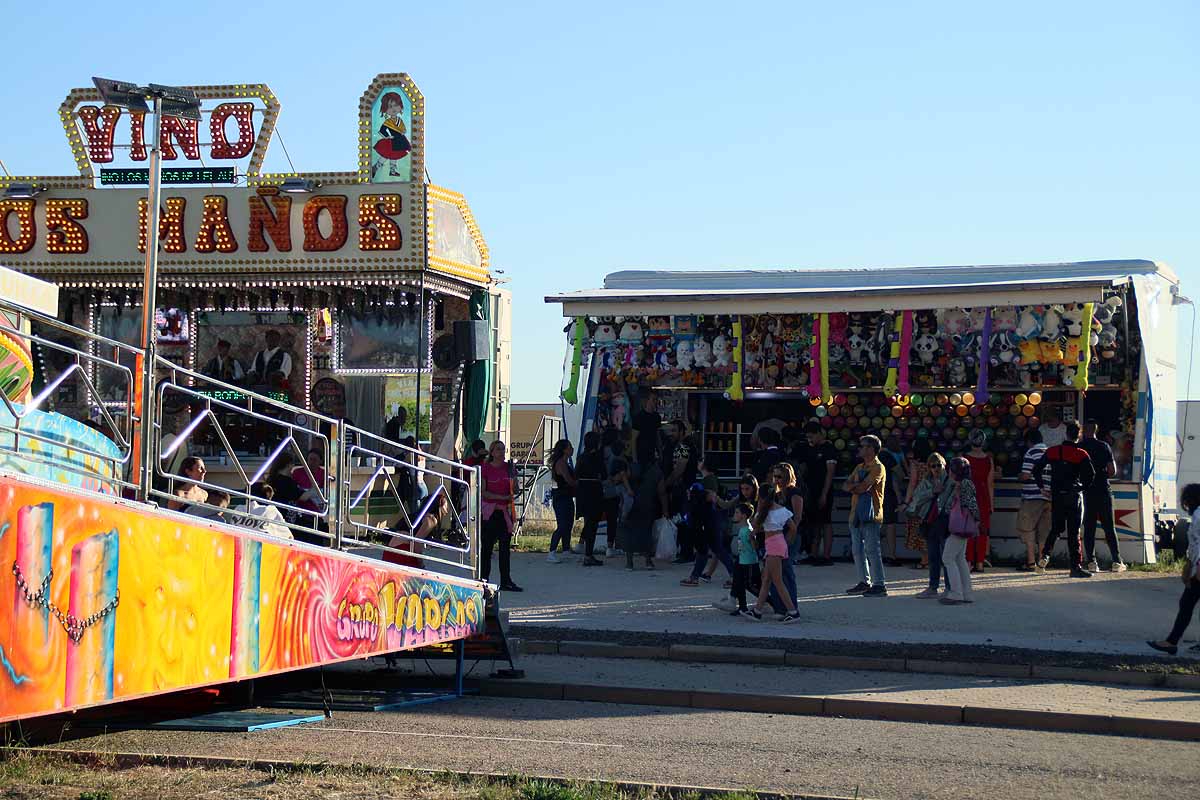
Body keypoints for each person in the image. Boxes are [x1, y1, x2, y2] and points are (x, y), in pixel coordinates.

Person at [1034, 420, 1096, 578]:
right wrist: (1081, 487)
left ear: (1065, 434)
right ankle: (1075, 567)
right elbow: (1091, 475)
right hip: (1074, 495)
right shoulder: (1081, 454)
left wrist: (1042, 487)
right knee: (1074, 533)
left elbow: (1037, 469)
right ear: (1079, 435)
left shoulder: (1053, 451)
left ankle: (1044, 557)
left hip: (1057, 495)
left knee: (1055, 529)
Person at [1147, 483, 1200, 655]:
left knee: (1187, 603)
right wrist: (1189, 565)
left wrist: (1197, 567)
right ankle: (1171, 642)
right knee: (1187, 603)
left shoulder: (1199, 515)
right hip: (1196, 565)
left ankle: (1171, 642)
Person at [745, 485, 801, 623]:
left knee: (777, 581)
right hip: (779, 542)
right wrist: (786, 542)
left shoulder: (764, 512)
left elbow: (754, 527)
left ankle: (793, 612)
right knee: (767, 579)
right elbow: (793, 528)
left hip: (772, 545)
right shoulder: (782, 510)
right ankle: (757, 611)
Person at [1080, 419, 1127, 572]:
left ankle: (1092, 562)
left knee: (1089, 527)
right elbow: (1112, 470)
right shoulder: (1104, 446)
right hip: (1103, 489)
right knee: (1109, 526)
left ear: (1083, 430)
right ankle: (1116, 561)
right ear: (1096, 430)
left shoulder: (1079, 447)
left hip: (1086, 491)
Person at [844, 435, 888, 597]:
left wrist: (854, 486)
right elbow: (846, 485)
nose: (860, 448)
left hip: (871, 515)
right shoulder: (859, 466)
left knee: (872, 550)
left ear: (871, 449)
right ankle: (864, 581)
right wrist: (856, 486)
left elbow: (862, 487)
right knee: (857, 550)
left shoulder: (878, 467)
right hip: (855, 514)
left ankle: (879, 584)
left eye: (863, 446)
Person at [681, 458, 735, 586]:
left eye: (702, 460)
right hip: (708, 519)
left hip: (707, 519)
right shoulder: (708, 479)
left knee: (713, 549)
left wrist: (693, 494)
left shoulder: (709, 480)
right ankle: (694, 577)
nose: (699, 462)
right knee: (706, 549)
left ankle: (734, 575)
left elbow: (710, 498)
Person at [480, 440, 522, 590]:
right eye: (498, 449)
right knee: (487, 548)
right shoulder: (486, 468)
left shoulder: (509, 468)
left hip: (505, 512)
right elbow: (483, 492)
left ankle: (506, 580)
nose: (501, 452)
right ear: (492, 452)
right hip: (490, 512)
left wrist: (513, 475)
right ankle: (483, 579)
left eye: (503, 449)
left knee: (505, 548)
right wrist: (501, 498)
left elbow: (516, 490)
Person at [940, 457, 979, 605]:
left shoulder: (962, 485)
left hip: (959, 526)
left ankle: (956, 593)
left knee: (948, 558)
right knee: (960, 558)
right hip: (964, 525)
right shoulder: (964, 483)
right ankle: (967, 593)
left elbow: (970, 504)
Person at [910, 453, 950, 598]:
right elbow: (917, 498)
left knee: (947, 557)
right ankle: (933, 587)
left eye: (939, 465)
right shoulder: (926, 482)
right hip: (930, 522)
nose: (936, 468)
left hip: (946, 522)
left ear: (944, 465)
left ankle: (949, 588)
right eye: (933, 466)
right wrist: (932, 491)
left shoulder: (950, 480)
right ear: (929, 467)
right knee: (933, 556)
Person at [661, 420, 699, 562]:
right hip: (683, 489)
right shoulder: (683, 445)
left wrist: (666, 483)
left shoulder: (684, 447)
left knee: (683, 521)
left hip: (683, 490)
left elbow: (679, 470)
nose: (671, 434)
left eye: (675, 430)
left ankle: (686, 552)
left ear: (682, 432)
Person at [802, 421, 838, 566]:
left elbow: (830, 473)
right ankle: (813, 554)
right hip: (811, 490)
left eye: (811, 436)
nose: (810, 440)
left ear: (819, 433)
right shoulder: (811, 449)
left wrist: (824, 493)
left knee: (826, 522)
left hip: (824, 490)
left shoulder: (829, 449)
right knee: (814, 523)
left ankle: (827, 555)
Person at [1016, 429, 1051, 572]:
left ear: (1029, 441)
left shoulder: (1031, 453)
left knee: (1028, 530)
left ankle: (1031, 563)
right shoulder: (1050, 452)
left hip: (1032, 497)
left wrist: (1018, 476)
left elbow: (1025, 476)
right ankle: (1042, 563)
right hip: (1048, 498)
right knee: (1044, 533)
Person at [625, 445, 665, 570]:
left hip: (632, 504)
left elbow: (622, 476)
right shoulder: (657, 471)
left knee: (630, 532)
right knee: (647, 532)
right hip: (648, 504)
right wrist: (665, 510)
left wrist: (629, 490)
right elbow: (662, 492)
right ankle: (648, 561)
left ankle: (629, 562)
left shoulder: (632, 467)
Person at [900, 438, 935, 569]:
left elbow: (912, 483)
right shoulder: (934, 463)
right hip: (932, 500)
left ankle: (924, 560)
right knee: (930, 530)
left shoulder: (915, 464)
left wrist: (906, 501)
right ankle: (931, 559)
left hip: (919, 501)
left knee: (919, 530)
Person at [964, 430, 995, 573]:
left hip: (968, 496)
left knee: (968, 531)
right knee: (982, 532)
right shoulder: (988, 460)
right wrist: (991, 504)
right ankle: (980, 562)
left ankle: (968, 561)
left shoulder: (964, 459)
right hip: (983, 497)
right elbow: (990, 484)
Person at [574, 431, 607, 567]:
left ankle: (587, 553)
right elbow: (604, 475)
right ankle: (588, 555)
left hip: (582, 491)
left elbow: (576, 473)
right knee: (592, 524)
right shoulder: (597, 457)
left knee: (588, 522)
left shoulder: (581, 457)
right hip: (594, 491)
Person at [546, 438, 577, 562]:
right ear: (564, 450)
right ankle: (551, 552)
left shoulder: (565, 462)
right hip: (561, 497)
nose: (572, 450)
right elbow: (568, 480)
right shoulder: (560, 463)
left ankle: (566, 549)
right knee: (563, 524)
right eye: (569, 447)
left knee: (569, 523)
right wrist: (577, 483)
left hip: (567, 496)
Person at [728, 502, 759, 617]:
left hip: (749, 562)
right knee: (740, 583)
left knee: (750, 586)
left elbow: (755, 546)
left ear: (744, 516)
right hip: (742, 560)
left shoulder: (748, 529)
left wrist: (753, 539)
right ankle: (742, 607)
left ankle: (772, 602)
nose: (734, 515)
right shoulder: (742, 529)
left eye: (737, 513)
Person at [879, 435, 905, 566]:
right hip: (888, 494)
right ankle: (891, 555)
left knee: (872, 525)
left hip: (872, 493)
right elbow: (900, 473)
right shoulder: (887, 456)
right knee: (890, 525)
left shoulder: (869, 457)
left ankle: (872, 555)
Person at [631, 393, 661, 465]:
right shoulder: (639, 417)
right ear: (647, 400)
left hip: (652, 453)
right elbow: (633, 439)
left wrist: (660, 452)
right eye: (654, 399)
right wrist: (635, 459)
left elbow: (657, 435)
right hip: (641, 454)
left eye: (656, 400)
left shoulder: (657, 417)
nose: (655, 402)